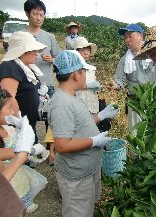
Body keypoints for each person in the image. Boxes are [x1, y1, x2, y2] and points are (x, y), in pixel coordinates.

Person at [49, 50, 119, 217]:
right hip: (76, 175)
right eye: (85, 72)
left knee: (87, 209)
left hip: (88, 168)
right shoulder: (61, 104)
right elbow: (62, 145)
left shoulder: (72, 96)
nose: (86, 76)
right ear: (75, 74)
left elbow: (81, 124)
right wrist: (94, 141)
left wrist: (101, 115)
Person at [0, 85, 45, 215]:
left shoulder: (7, 127)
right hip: (8, 187)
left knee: (22, 208)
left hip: (19, 179)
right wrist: (28, 150)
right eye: (9, 108)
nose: (12, 112)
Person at [105, 23, 156, 132]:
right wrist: (115, 85)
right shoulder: (125, 60)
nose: (127, 40)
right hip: (135, 102)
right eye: (125, 37)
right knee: (136, 134)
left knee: (154, 132)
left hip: (154, 100)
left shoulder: (154, 54)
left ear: (141, 37)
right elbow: (119, 80)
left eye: (130, 36)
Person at [0, 31, 47, 145]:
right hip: (18, 126)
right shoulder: (9, 67)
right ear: (22, 51)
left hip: (28, 123)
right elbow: (9, 97)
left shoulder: (26, 67)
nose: (37, 54)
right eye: (34, 50)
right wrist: (20, 122)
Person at [24, 0, 60, 98]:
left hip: (46, 83)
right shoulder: (20, 36)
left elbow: (59, 59)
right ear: (27, 14)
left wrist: (52, 59)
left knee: (47, 112)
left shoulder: (49, 36)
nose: (39, 18)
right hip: (25, 83)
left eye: (41, 15)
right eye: (35, 14)